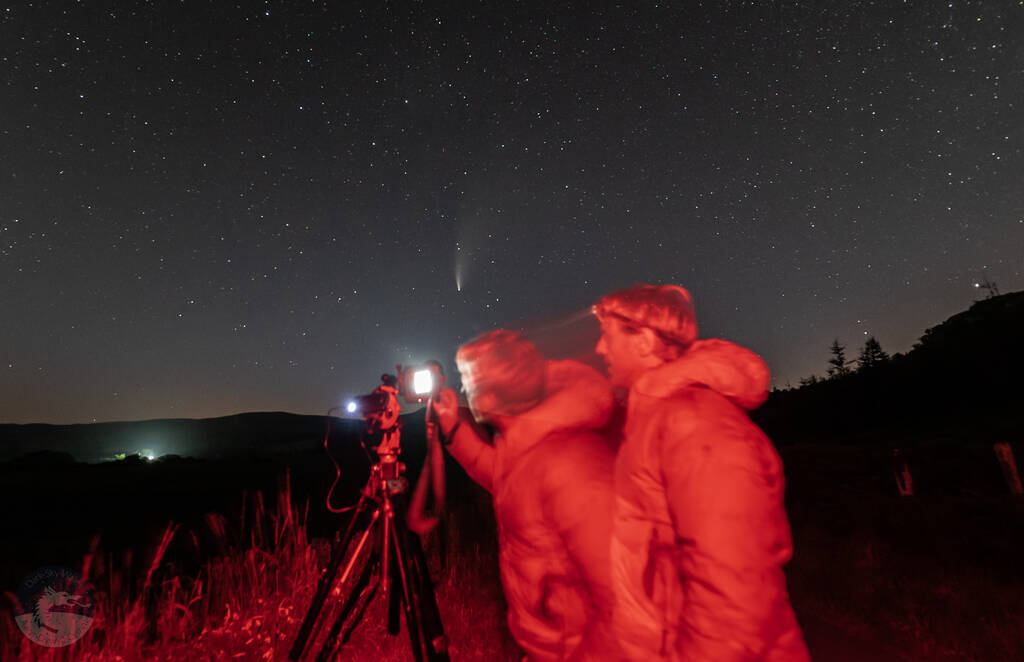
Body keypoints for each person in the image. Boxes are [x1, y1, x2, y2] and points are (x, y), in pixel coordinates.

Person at [593, 283, 810, 662]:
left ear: (643, 341)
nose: (599, 349)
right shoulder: (655, 420)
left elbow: (733, 594)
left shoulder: (693, 422)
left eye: (606, 336)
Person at [432, 329, 621, 662]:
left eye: (469, 379)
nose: (464, 388)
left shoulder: (570, 463)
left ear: (490, 393)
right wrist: (452, 426)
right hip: (548, 645)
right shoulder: (526, 443)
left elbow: (620, 599)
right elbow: (503, 480)